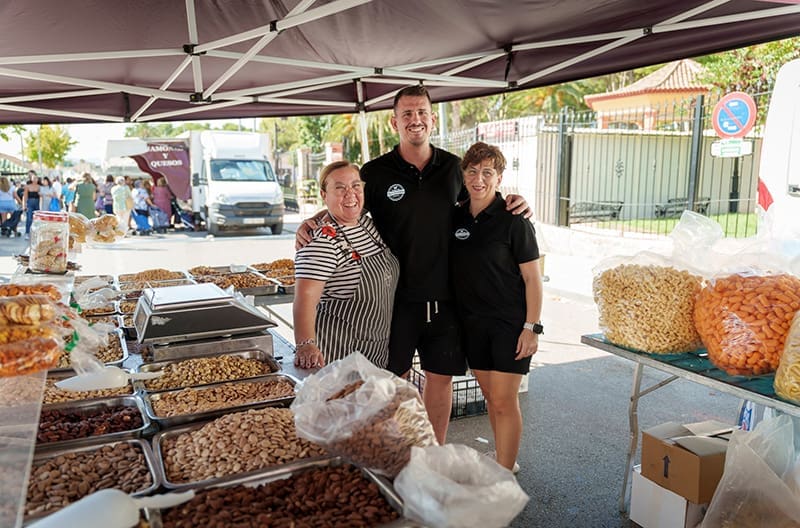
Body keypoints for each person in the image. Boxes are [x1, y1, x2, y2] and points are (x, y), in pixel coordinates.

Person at [297, 84, 530, 444]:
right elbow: (348, 203)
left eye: (421, 112)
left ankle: (433, 451)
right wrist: (313, 219)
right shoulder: (376, 172)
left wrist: (518, 203)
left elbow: (487, 200)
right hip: (397, 304)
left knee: (440, 380)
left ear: (432, 119)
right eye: (407, 114)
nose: (415, 120)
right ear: (394, 123)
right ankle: (397, 449)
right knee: (394, 381)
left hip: (448, 302)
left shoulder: (455, 168)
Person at [450, 142, 543, 473]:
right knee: (492, 398)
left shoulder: (514, 220)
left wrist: (531, 328)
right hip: (472, 325)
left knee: (504, 401)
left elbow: (533, 279)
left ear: (499, 177)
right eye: (472, 172)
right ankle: (507, 459)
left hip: (510, 325)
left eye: (487, 172)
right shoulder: (457, 215)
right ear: (464, 175)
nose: (479, 179)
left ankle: (503, 472)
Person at [293, 161, 400, 369]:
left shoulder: (368, 225)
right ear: (324, 195)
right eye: (340, 188)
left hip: (373, 352)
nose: (350, 194)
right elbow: (304, 298)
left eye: (355, 186)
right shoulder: (321, 240)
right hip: (337, 358)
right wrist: (305, 345)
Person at [21, 170, 41, 238]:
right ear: (31, 179)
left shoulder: (39, 187)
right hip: (30, 203)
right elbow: (25, 196)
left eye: (36, 178)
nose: (35, 179)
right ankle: (27, 232)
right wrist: (24, 205)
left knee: (37, 219)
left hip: (38, 203)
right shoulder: (27, 186)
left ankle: (36, 233)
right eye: (34, 178)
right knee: (29, 218)